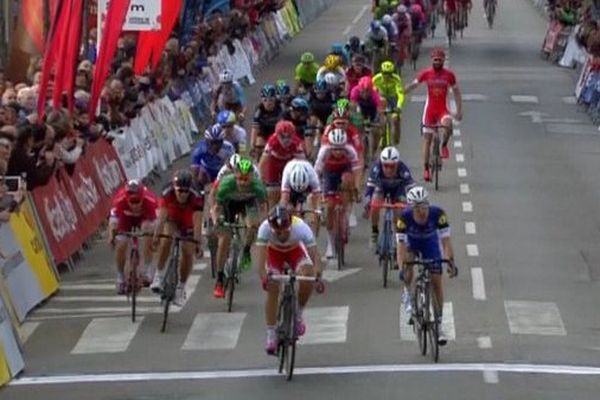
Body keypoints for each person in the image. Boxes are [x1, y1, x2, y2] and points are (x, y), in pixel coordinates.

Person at [396, 186, 458, 345]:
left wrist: (450, 261)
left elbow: (446, 242)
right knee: (408, 267)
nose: (421, 210)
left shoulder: (438, 214)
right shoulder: (404, 219)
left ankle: (439, 323)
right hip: (412, 244)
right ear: (411, 207)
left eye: (424, 206)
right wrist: (402, 266)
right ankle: (408, 294)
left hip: (430, 243)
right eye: (417, 207)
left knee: (437, 281)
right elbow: (401, 247)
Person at [256, 206, 321, 354]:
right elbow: (260, 261)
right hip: (274, 254)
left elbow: (315, 256)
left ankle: (298, 314)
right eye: (277, 232)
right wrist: (263, 276)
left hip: (295, 252)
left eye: (285, 230)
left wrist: (316, 275)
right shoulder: (264, 228)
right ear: (271, 228)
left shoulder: (301, 228)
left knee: (307, 275)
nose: (282, 234)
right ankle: (271, 333)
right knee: (273, 286)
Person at [404, 48, 463, 182]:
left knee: (448, 126)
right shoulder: (426, 73)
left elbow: (457, 92)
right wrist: (401, 92)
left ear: (443, 61)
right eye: (435, 60)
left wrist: (459, 111)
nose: (437, 62)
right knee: (427, 140)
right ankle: (426, 168)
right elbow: (413, 85)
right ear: (432, 60)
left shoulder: (449, 75)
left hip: (443, 109)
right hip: (430, 110)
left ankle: (443, 145)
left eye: (439, 60)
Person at [212, 158, 268, 298]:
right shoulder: (226, 184)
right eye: (239, 179)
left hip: (247, 204)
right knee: (224, 239)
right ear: (235, 175)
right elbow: (216, 208)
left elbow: (263, 208)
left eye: (246, 179)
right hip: (228, 204)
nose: (242, 182)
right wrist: (216, 220)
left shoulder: (258, 186)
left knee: (253, 225)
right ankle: (219, 279)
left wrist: (263, 223)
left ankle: (247, 250)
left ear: (251, 177)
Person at [151, 170, 203, 306]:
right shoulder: (167, 191)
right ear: (174, 187)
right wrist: (156, 236)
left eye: (186, 191)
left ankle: (181, 287)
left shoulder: (196, 195)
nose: (183, 194)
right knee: (167, 239)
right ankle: (159, 276)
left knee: (187, 252)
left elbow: (197, 222)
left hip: (188, 219)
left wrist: (198, 243)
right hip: (172, 216)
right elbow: (161, 218)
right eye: (180, 191)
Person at [314, 129, 360, 258]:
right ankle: (330, 244)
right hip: (329, 175)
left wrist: (355, 189)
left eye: (341, 148)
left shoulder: (350, 151)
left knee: (347, 180)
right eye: (335, 148)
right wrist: (318, 192)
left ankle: (347, 213)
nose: (338, 151)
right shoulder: (324, 151)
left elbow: (356, 172)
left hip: (345, 172)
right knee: (329, 208)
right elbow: (316, 173)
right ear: (330, 146)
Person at [108, 180, 158, 294]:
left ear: (142, 198)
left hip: (144, 217)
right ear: (126, 199)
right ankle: (120, 276)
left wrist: (155, 238)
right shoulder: (119, 201)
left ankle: (147, 268)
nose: (135, 205)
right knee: (121, 244)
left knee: (149, 232)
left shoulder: (150, 201)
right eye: (132, 201)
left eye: (137, 202)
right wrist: (112, 236)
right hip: (125, 218)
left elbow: (157, 224)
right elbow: (113, 223)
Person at [363, 146, 414, 247]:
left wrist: (412, 203)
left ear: (397, 164)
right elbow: (369, 189)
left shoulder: (403, 169)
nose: (389, 169)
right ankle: (374, 232)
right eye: (386, 166)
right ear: (381, 164)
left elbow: (411, 189)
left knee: (399, 213)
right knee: (374, 205)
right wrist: (367, 204)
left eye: (392, 166)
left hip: (398, 190)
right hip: (381, 187)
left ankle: (398, 238)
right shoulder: (376, 168)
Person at [258, 120, 306, 210]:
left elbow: (303, 164)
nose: (286, 140)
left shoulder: (296, 143)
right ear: (277, 135)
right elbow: (263, 162)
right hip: (274, 162)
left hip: (289, 163)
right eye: (282, 137)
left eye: (289, 137)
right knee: (271, 190)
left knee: (292, 186)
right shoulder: (273, 141)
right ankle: (272, 211)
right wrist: (261, 177)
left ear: (293, 135)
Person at [280, 159, 321, 233]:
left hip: (307, 187)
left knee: (314, 206)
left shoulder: (312, 176)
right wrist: (282, 215)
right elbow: (284, 199)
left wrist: (316, 212)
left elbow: (317, 197)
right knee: (287, 208)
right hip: (292, 187)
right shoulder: (287, 174)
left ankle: (310, 232)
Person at [350, 76, 384, 158]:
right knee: (357, 130)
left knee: (377, 132)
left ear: (371, 90)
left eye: (367, 91)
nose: (365, 94)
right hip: (361, 109)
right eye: (363, 91)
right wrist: (356, 121)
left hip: (372, 110)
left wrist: (379, 122)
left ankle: (374, 151)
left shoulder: (374, 95)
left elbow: (379, 111)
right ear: (359, 89)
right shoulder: (355, 91)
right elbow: (353, 108)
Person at [372, 60, 405, 145]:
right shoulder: (376, 79)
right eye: (384, 73)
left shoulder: (396, 79)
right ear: (381, 72)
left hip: (393, 98)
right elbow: (372, 93)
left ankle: (396, 137)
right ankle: (380, 134)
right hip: (381, 97)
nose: (386, 76)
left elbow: (400, 94)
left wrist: (399, 107)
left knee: (395, 119)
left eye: (389, 74)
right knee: (380, 119)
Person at [251, 84, 284, 160]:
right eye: (265, 100)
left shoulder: (280, 107)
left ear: (275, 99)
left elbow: (283, 126)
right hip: (264, 131)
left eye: (271, 100)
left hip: (276, 131)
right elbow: (255, 128)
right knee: (258, 147)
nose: (268, 103)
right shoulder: (259, 109)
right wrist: (253, 146)